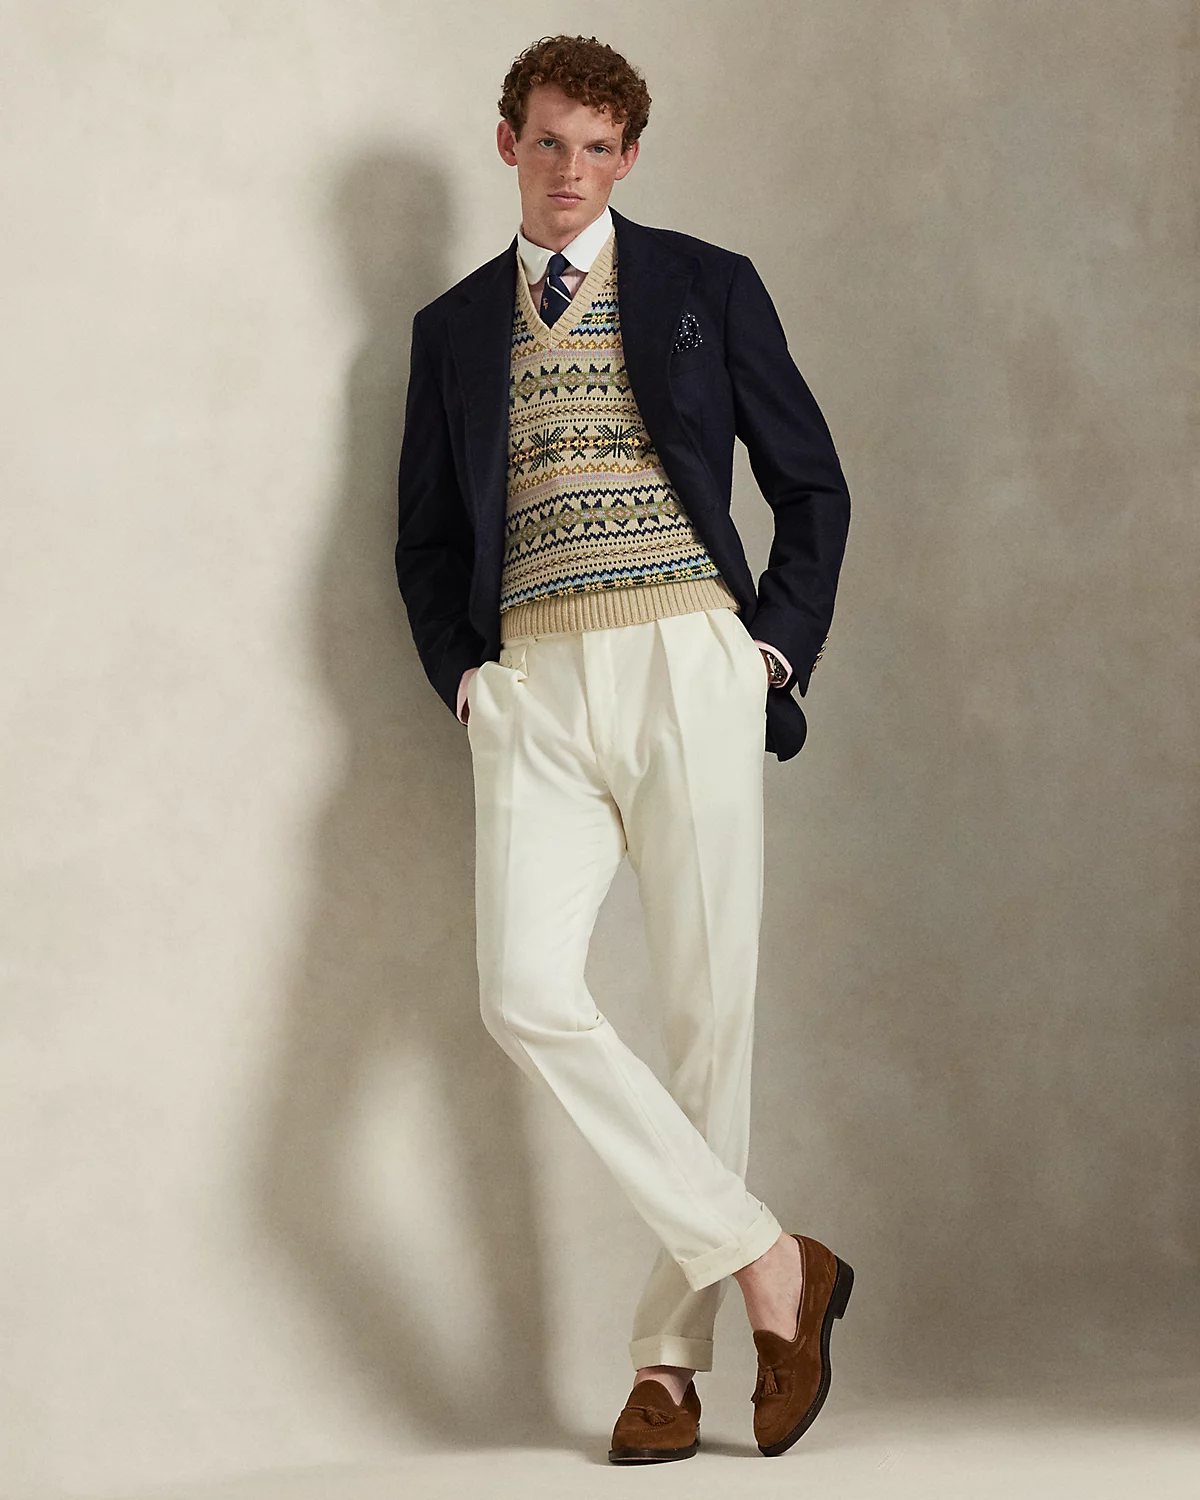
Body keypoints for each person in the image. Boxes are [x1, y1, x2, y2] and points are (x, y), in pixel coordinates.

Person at [394, 33, 853, 1463]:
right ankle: (772, 1260)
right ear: (507, 143)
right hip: (534, 686)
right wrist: (469, 684)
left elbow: (812, 485)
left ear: (629, 158)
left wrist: (766, 654)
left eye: (598, 149)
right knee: (525, 991)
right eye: (549, 142)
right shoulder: (451, 329)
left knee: (711, 1013)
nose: (571, 171)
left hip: (685, 662)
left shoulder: (708, 286)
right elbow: (427, 542)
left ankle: (667, 1365)